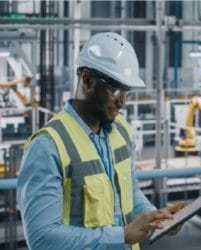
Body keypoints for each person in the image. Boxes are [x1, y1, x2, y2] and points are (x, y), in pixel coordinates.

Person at [17, 32, 184, 249]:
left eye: (126, 91)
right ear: (87, 81)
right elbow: (42, 239)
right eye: (115, 89)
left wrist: (154, 217)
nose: (123, 101)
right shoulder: (48, 146)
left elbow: (129, 193)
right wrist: (121, 235)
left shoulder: (121, 130)